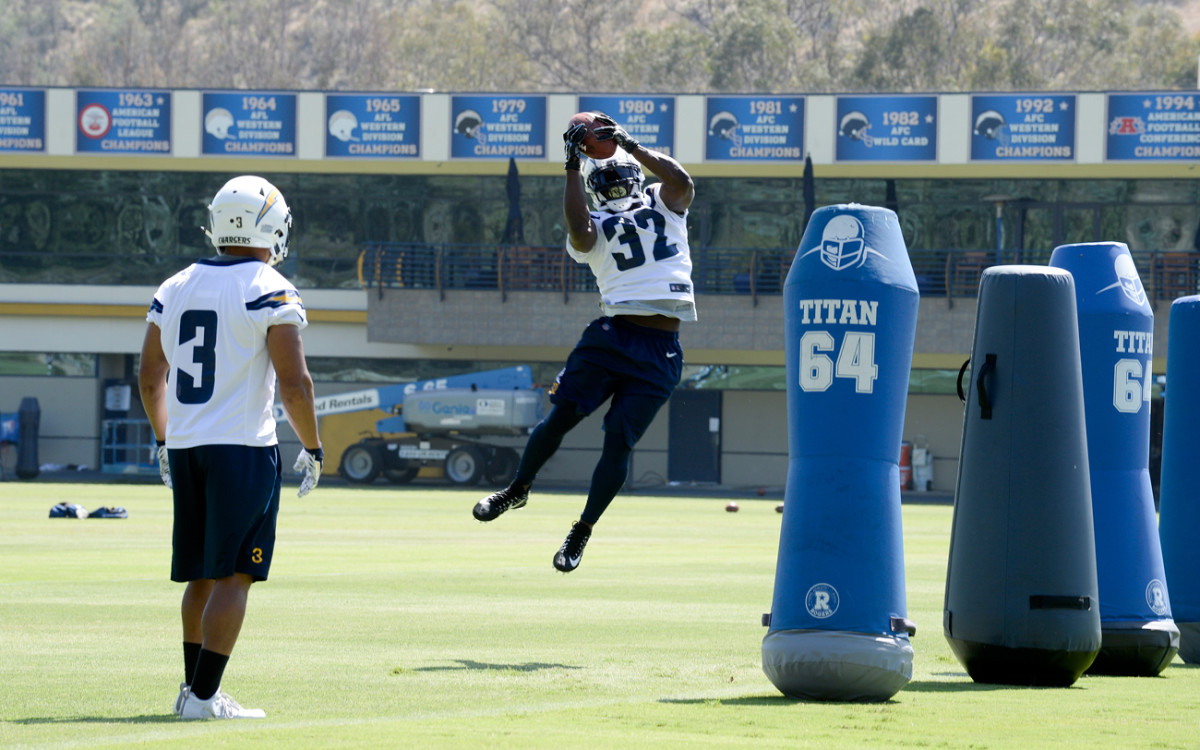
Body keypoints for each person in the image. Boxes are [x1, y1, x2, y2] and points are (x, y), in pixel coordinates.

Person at [473, 113, 696, 573]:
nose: (613, 179)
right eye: (605, 174)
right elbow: (578, 230)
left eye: (618, 170)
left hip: (661, 349)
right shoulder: (589, 219)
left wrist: (631, 144)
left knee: (618, 442)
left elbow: (682, 181)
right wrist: (572, 165)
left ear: (633, 173)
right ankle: (518, 489)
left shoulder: (664, 200)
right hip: (612, 335)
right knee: (561, 419)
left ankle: (582, 530)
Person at [137, 175, 323, 720]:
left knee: (200, 572)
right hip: (242, 447)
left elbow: (151, 377)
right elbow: (295, 384)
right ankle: (202, 698)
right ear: (268, 225)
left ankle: (192, 690)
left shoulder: (173, 286)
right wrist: (313, 447)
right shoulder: (271, 286)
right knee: (235, 575)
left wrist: (163, 439)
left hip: (188, 445)